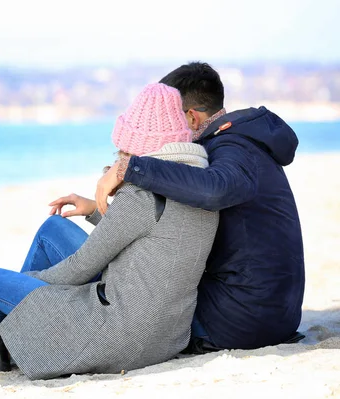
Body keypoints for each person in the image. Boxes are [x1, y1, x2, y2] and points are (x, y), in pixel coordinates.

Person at [0, 83, 219, 380]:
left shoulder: (142, 196)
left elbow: (80, 268)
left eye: (126, 151)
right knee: (53, 230)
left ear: (140, 150)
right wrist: (95, 209)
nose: (121, 159)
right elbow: (153, 240)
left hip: (120, 333)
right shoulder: (199, 183)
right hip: (164, 334)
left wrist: (20, 287)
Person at [94, 62, 305, 352]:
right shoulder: (244, 144)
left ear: (191, 118)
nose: (166, 129)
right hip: (273, 314)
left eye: (171, 118)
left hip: (235, 320)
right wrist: (99, 209)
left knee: (113, 280)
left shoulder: (231, 148)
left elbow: (216, 190)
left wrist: (129, 167)